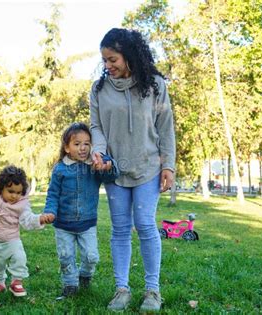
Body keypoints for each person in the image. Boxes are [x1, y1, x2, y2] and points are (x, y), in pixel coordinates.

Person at [89, 28, 176, 312]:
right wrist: (99, 152)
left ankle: (153, 291)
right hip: (115, 169)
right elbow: (96, 126)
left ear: (128, 55)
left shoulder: (155, 85)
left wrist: (169, 165)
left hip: (149, 166)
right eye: (104, 61)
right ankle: (122, 288)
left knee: (146, 224)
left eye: (112, 59)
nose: (108, 66)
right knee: (120, 229)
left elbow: (165, 127)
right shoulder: (99, 89)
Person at [43, 122, 119, 300]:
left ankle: (84, 276)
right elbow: (53, 194)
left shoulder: (94, 165)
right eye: (77, 144)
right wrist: (50, 211)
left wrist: (108, 165)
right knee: (65, 256)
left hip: (87, 223)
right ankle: (70, 284)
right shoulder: (60, 169)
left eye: (86, 143)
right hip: (63, 224)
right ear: (67, 148)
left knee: (92, 256)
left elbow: (111, 175)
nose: (83, 148)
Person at [0, 147, 55, 297]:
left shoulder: (21, 205)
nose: (14, 196)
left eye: (18, 193)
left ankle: (17, 282)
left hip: (11, 239)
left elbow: (27, 220)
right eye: (10, 192)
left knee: (19, 257)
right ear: (1, 188)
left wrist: (40, 219)